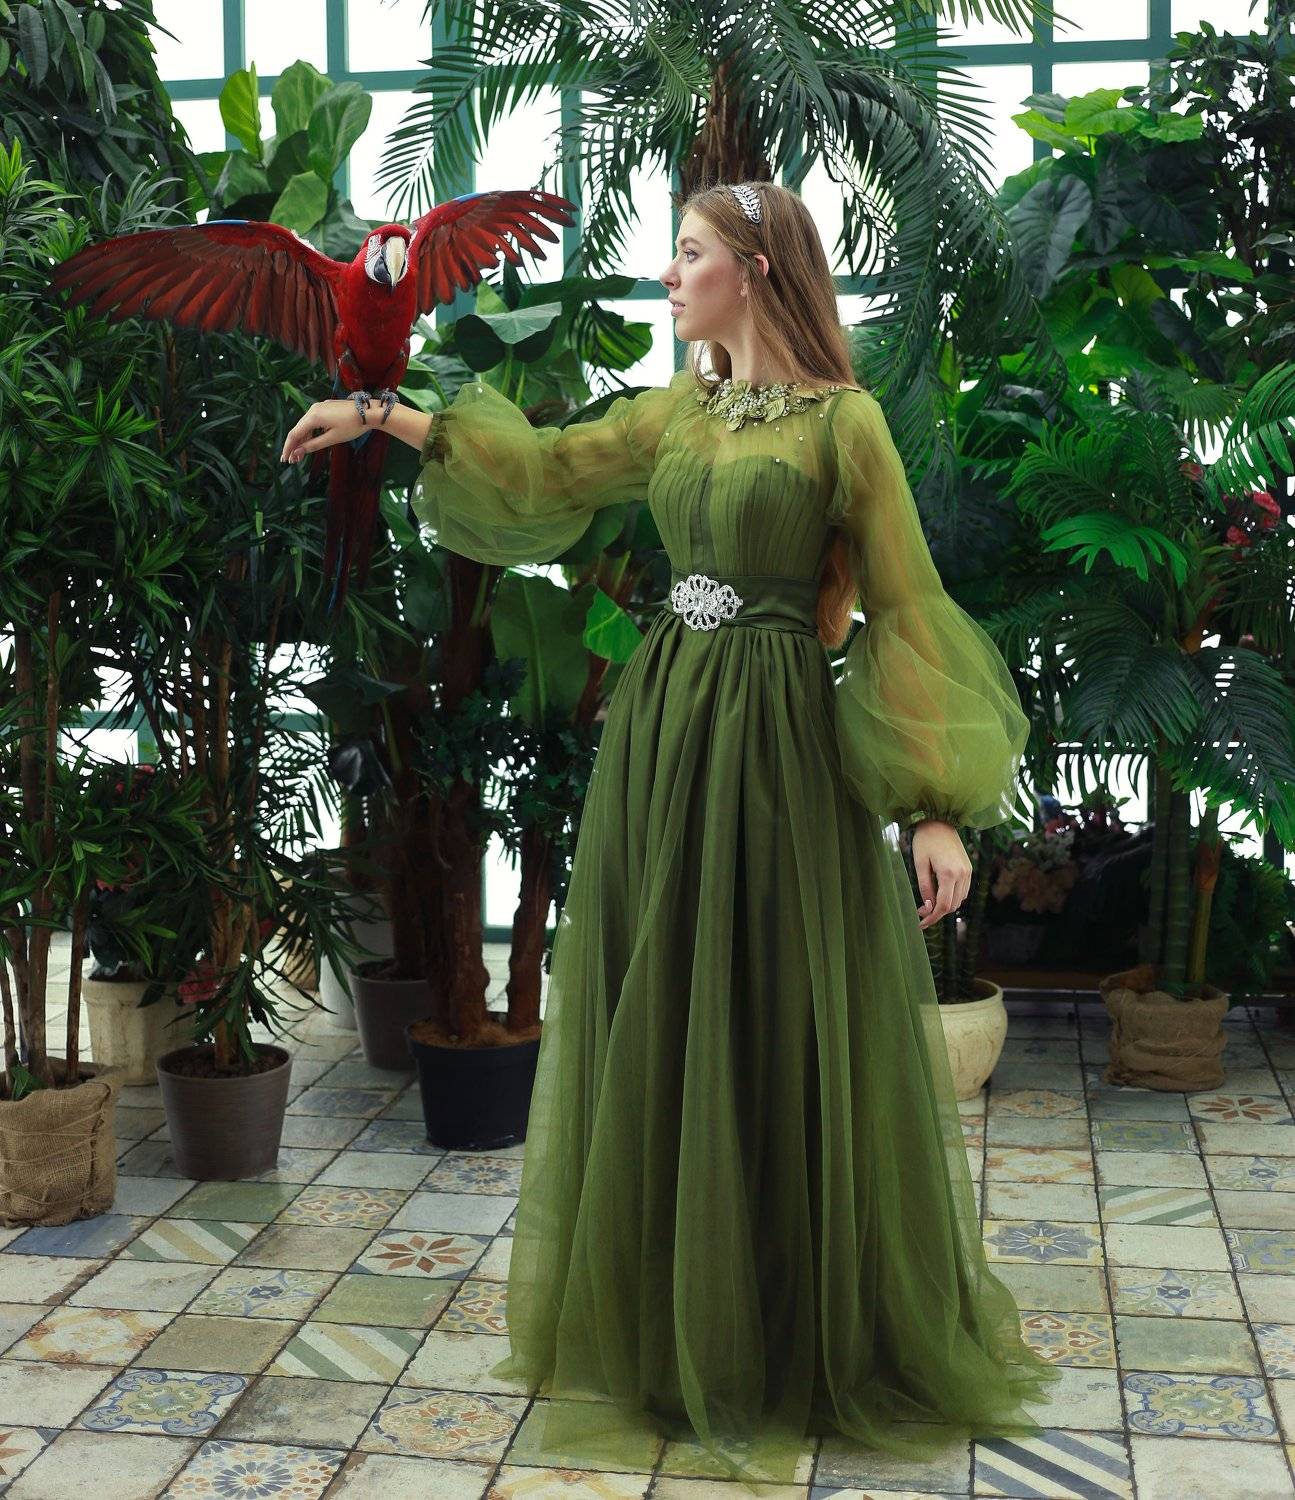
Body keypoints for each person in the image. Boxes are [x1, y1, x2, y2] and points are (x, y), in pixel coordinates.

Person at [281, 179, 1060, 1490]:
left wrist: (936, 807)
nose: (668, 275)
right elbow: (543, 471)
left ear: (752, 268)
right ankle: (675, 1325)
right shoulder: (676, 411)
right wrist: (379, 415)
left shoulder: (845, 424)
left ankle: (791, 1333)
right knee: (669, 1008)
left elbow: (909, 605)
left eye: (688, 254)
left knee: (773, 1014)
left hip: (783, 748)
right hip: (664, 739)